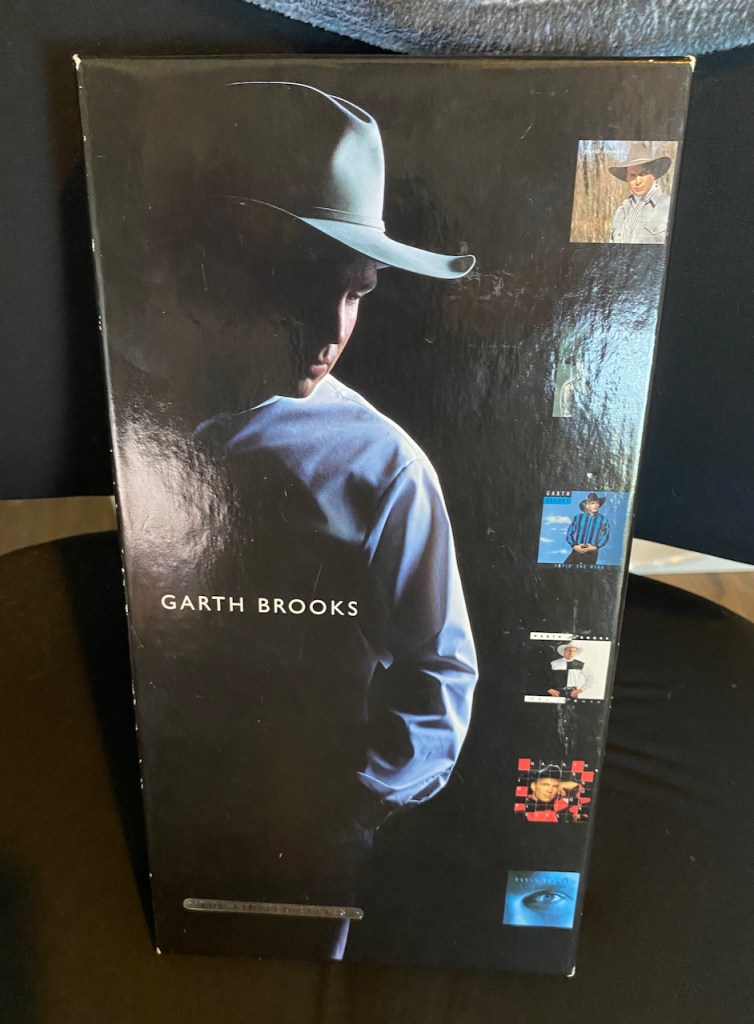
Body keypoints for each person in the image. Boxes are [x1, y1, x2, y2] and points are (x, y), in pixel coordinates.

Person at [178, 81, 479, 959]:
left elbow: (442, 686)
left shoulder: (387, 471)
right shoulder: (153, 399)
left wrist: (334, 809)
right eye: (313, 283)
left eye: (356, 293)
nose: (330, 328)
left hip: (295, 867)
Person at [608, 141, 673, 244]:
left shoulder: (669, 207)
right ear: (627, 178)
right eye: (632, 175)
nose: (638, 181)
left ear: (653, 175)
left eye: (643, 174)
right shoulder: (621, 210)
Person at [519, 765, 589, 823]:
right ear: (533, 786)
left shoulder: (561, 804)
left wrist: (565, 785)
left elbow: (587, 805)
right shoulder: (521, 804)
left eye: (555, 786)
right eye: (545, 785)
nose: (550, 790)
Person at [564, 492, 611, 565]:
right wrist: (574, 546)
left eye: (597, 503)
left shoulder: (603, 520)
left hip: (591, 553)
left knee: (586, 570)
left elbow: (605, 535)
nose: (595, 505)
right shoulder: (578, 518)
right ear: (587, 505)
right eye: (592, 503)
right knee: (566, 568)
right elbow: (569, 533)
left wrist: (596, 547)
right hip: (577, 550)